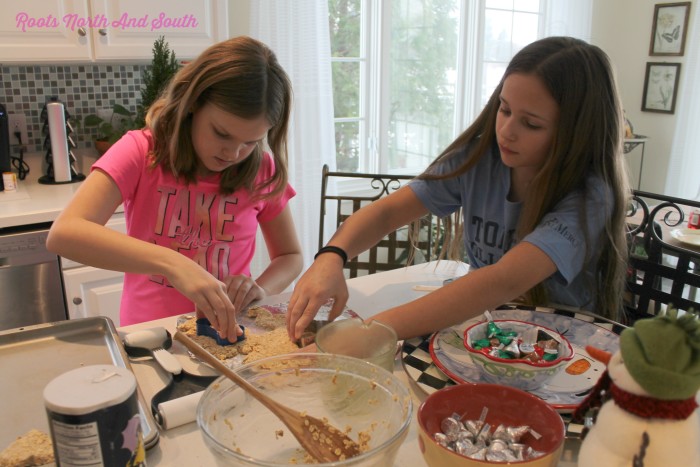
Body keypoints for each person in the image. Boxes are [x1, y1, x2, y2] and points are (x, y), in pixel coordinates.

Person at [287, 36, 630, 341]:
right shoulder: (479, 159)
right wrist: (331, 256)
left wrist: (369, 332)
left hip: (563, 344)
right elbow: (389, 212)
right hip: (489, 328)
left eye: (531, 124)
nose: (507, 131)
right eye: (504, 109)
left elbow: (502, 281)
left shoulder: (590, 197)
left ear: (577, 134)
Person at [47, 36, 303, 341]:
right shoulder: (141, 151)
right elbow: (64, 234)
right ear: (193, 103)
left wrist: (261, 288)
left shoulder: (261, 169)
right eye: (222, 133)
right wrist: (173, 264)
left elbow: (290, 256)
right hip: (151, 334)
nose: (233, 153)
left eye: (250, 142)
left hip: (229, 331)